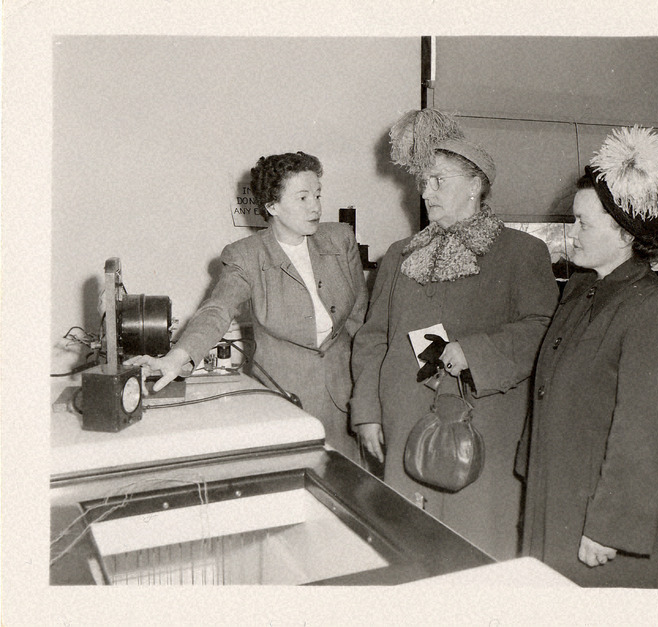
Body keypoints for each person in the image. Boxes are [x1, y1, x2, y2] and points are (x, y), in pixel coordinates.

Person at [350, 109, 558, 560]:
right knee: (410, 549)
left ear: (475, 185)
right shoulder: (398, 256)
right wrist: (366, 412)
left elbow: (542, 329)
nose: (426, 193)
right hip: (405, 424)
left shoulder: (522, 252)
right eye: (423, 182)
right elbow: (372, 337)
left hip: (484, 429)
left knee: (478, 552)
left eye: (439, 181)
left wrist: (474, 353)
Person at [516, 126, 658, 588]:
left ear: (625, 235)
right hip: (560, 491)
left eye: (584, 223)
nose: (571, 235)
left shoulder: (656, 307)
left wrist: (609, 526)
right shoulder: (579, 289)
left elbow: (644, 430)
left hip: (602, 520)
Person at [125, 151, 368, 460]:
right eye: (303, 198)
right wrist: (177, 357)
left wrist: (368, 393)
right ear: (272, 206)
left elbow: (360, 319)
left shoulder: (340, 239)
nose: (316, 207)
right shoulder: (246, 255)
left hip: (345, 397)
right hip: (284, 399)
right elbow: (217, 309)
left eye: (317, 195)